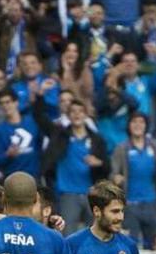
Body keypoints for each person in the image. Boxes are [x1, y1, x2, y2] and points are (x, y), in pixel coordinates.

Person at [39, 94, 109, 236]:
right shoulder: (59, 135)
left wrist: (99, 163)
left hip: (91, 194)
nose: (77, 115)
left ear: (86, 115)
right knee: (67, 235)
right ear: (68, 115)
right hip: (67, 194)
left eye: (80, 111)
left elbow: (107, 167)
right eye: (73, 111)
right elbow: (40, 118)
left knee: (95, 235)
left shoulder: (96, 139)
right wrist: (40, 95)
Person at [111, 113, 156, 244]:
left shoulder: (155, 146)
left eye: (141, 122)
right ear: (129, 126)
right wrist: (116, 178)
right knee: (131, 244)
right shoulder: (121, 148)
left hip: (151, 203)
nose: (138, 125)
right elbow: (112, 174)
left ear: (146, 126)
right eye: (134, 122)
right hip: (129, 204)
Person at [0, 88, 43, 179]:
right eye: (1, 103)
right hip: (12, 177)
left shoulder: (32, 122)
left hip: (34, 175)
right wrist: (8, 155)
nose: (5, 106)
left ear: (16, 102)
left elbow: (40, 145)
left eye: (8, 102)